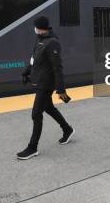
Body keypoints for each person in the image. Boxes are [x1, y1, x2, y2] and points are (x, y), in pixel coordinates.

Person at [17, 16, 74, 160]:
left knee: (36, 114)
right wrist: (26, 71)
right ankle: (67, 129)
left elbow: (58, 67)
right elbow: (33, 58)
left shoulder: (52, 43)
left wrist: (61, 89)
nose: (34, 29)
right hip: (39, 81)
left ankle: (32, 148)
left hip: (46, 84)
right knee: (49, 108)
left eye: (35, 26)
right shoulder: (39, 39)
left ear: (40, 27)